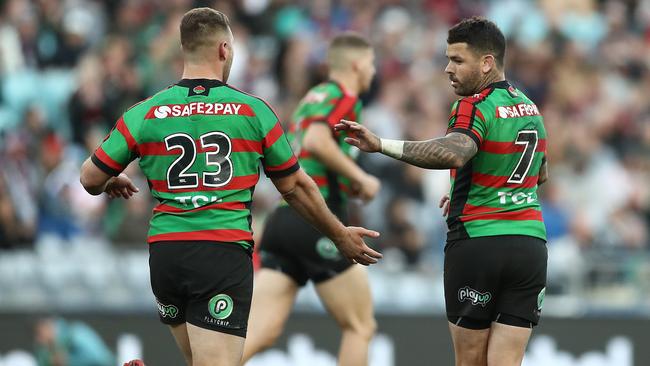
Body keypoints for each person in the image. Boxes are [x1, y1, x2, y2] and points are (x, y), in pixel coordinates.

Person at [79, 8, 382, 366]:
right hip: (220, 251)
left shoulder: (143, 112)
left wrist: (112, 179)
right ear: (224, 50)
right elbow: (296, 187)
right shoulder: (252, 111)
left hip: (165, 255)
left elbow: (89, 179)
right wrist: (339, 234)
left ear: (184, 48)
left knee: (203, 358)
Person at [336, 16, 548, 366]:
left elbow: (456, 150)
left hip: (480, 244)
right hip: (529, 247)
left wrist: (381, 144)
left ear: (487, 63)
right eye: (448, 59)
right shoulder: (530, 108)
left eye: (458, 60)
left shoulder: (473, 104)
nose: (448, 69)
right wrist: (470, 187)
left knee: (469, 361)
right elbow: (539, 172)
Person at [241, 33, 380, 366]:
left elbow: (308, 152)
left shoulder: (312, 97)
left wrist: (348, 178)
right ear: (357, 64)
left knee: (261, 332)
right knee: (360, 326)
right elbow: (317, 141)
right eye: (372, 64)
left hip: (283, 222)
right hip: (318, 222)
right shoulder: (345, 97)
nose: (373, 72)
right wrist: (361, 176)